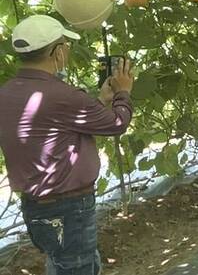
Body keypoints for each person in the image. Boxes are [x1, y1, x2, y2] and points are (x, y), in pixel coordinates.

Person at [0, 15, 135, 275]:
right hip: (69, 209)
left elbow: (53, 125)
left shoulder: (6, 93)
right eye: (65, 45)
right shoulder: (64, 96)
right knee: (76, 267)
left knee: (62, 263)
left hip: (36, 207)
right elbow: (117, 123)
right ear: (58, 52)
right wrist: (123, 92)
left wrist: (99, 100)